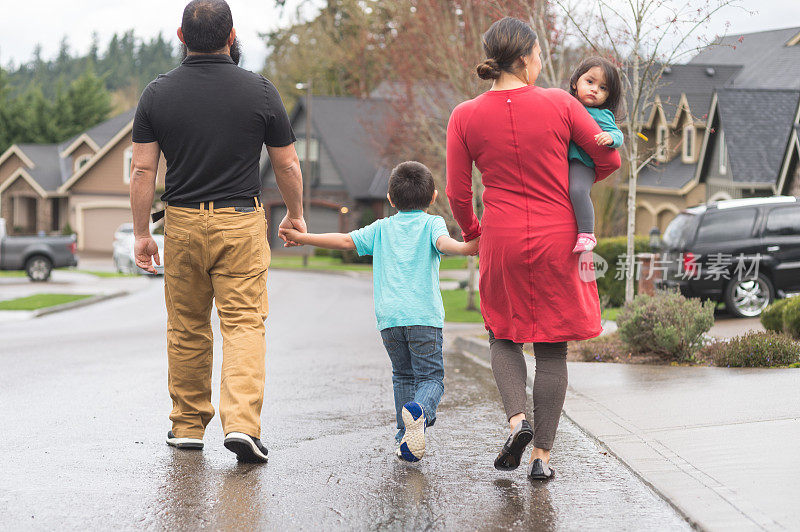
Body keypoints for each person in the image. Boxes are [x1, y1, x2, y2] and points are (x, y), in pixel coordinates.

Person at [129, 0, 305, 463]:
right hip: (241, 222)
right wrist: (295, 213)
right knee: (244, 323)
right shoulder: (261, 92)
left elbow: (142, 171)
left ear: (181, 37)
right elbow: (286, 162)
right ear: (232, 36)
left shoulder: (156, 94)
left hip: (182, 222)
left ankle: (187, 426)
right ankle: (242, 425)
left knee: (187, 327)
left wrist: (142, 233)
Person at [446, 17, 621, 480]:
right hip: (559, 235)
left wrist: (472, 232)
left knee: (503, 333)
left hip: (501, 236)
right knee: (552, 348)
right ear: (524, 59)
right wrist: (574, 185)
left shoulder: (464, 115)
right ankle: (542, 458)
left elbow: (458, 193)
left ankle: (517, 421)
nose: (542, 64)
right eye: (540, 56)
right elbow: (608, 156)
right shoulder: (561, 104)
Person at [280, 161, 478, 462]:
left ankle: (406, 439)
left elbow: (346, 241)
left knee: (403, 376)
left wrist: (302, 237)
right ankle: (419, 414)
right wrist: (468, 248)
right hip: (423, 318)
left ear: (390, 198)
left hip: (390, 320)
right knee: (431, 379)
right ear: (433, 196)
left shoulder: (383, 228)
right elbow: (445, 244)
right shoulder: (432, 223)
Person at [566, 57, 624, 254]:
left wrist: (610, 137)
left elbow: (618, 134)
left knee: (577, 191)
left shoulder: (602, 115)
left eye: (603, 88)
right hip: (562, 161)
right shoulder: (565, 105)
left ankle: (587, 233)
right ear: (575, 83)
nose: (595, 89)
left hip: (582, 163)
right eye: (590, 82)